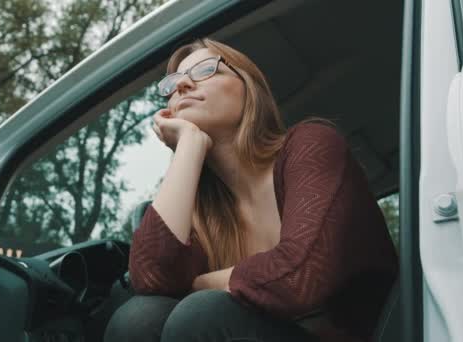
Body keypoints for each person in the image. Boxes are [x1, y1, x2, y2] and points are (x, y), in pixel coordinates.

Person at [103, 38, 398, 342]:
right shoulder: (203, 211)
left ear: (249, 88)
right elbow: (150, 278)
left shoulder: (311, 145)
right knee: (136, 320)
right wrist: (189, 146)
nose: (184, 86)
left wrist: (194, 284)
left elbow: (300, 278)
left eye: (206, 70)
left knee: (202, 314)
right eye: (174, 84)